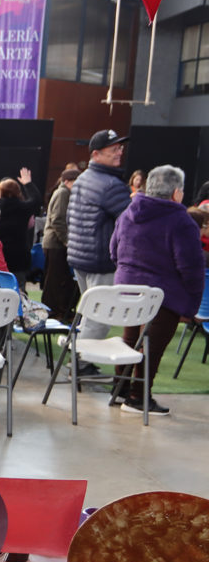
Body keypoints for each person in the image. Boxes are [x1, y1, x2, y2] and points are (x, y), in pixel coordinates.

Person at [110, 165, 205, 416]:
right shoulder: (181, 221)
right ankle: (137, 398)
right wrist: (192, 303)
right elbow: (192, 268)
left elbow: (114, 250)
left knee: (130, 339)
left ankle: (120, 388)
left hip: (127, 289)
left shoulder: (129, 212)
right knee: (150, 346)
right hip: (162, 296)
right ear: (176, 193)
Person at [68, 129, 132, 340]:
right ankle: (81, 364)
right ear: (96, 154)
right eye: (113, 149)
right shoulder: (111, 185)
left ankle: (78, 362)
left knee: (90, 312)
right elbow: (133, 223)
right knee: (100, 316)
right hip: (101, 260)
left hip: (81, 258)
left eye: (120, 148)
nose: (118, 152)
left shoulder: (83, 178)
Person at [41, 169, 81, 322]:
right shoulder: (63, 193)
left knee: (57, 279)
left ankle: (57, 311)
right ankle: (54, 311)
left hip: (55, 242)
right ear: (67, 181)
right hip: (55, 243)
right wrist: (66, 240)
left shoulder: (64, 193)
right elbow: (57, 219)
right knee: (55, 280)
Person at [0, 168, 42, 287]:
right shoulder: (23, 208)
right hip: (19, 257)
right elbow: (36, 200)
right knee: (18, 289)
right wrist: (28, 184)